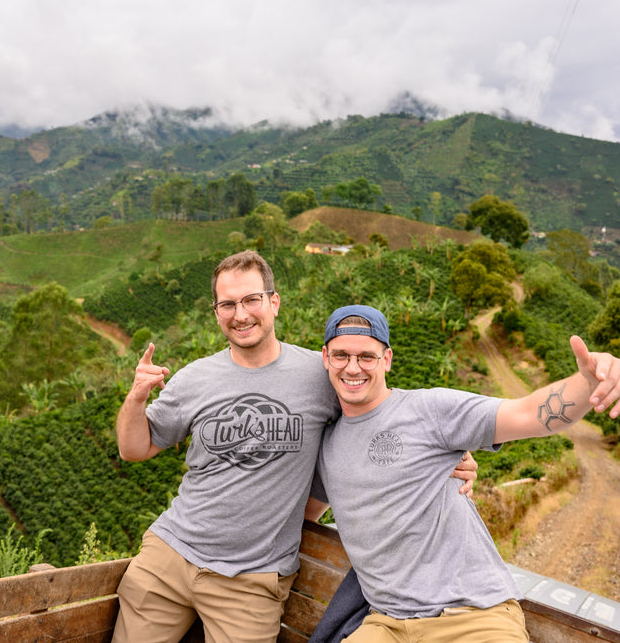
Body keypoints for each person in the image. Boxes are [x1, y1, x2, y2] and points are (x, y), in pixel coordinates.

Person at [113, 252, 477, 643]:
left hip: (252, 580)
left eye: (251, 299)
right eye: (228, 304)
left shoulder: (319, 376)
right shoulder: (196, 378)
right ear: (216, 311)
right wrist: (136, 399)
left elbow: (382, 411)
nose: (241, 314)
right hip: (169, 556)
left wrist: (448, 452)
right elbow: (136, 448)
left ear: (274, 301)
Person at [310, 305, 620, 643]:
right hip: (386, 624)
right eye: (341, 355)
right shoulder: (328, 448)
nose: (352, 367)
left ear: (387, 359)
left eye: (366, 357)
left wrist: (588, 382)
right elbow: (305, 516)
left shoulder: (429, 410)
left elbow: (528, 414)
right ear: (325, 358)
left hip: (472, 617)